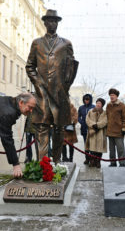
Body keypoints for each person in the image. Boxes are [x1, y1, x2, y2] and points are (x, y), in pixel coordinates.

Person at [25, 9, 78, 163]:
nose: (52, 23)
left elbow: (71, 67)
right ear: (45, 23)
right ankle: (42, 165)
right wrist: (37, 83)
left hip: (60, 94)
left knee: (59, 129)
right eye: (49, 20)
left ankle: (56, 162)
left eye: (55, 21)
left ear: (57, 23)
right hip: (42, 94)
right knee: (41, 127)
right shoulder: (37, 43)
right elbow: (29, 66)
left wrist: (66, 86)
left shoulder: (66, 44)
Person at [106, 88, 125, 167]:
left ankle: (122, 163)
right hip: (110, 131)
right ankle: (113, 163)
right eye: (110, 95)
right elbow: (106, 117)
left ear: (116, 96)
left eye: (113, 95)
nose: (111, 97)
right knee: (111, 150)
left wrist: (124, 128)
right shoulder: (108, 105)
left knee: (120, 149)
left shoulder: (122, 106)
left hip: (119, 132)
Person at [85, 98, 107, 168]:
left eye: (99, 103)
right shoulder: (90, 111)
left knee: (99, 149)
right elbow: (87, 120)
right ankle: (92, 161)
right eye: (97, 103)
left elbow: (105, 121)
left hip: (100, 133)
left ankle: (98, 162)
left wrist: (98, 125)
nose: (98, 104)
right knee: (92, 148)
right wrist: (93, 125)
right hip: (92, 132)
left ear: (102, 105)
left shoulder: (104, 113)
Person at [78, 94, 95, 164]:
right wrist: (81, 122)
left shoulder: (93, 107)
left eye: (87, 99)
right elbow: (78, 116)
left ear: (90, 99)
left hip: (92, 128)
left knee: (92, 145)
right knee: (86, 145)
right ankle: (87, 159)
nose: (86, 101)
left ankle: (93, 159)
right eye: (85, 99)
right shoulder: (81, 107)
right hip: (84, 128)